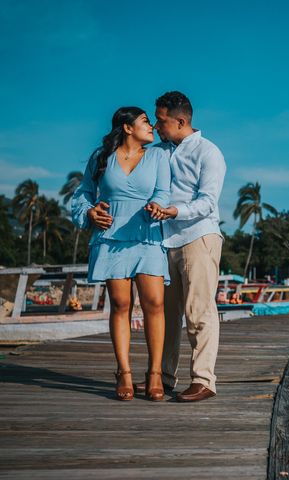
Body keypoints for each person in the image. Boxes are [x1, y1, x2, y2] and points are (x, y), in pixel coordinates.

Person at [72, 106, 170, 402]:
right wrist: (89, 213)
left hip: (146, 235)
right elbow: (84, 193)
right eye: (144, 122)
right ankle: (124, 372)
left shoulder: (157, 157)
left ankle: (154, 374)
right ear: (127, 127)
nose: (151, 126)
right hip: (110, 237)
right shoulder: (100, 157)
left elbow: (163, 192)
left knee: (154, 302)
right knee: (120, 303)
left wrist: (156, 205)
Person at [136, 91, 226, 403]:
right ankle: (164, 377)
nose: (157, 126)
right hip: (164, 241)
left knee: (198, 310)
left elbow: (208, 201)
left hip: (198, 236)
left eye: (161, 121)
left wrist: (175, 211)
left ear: (181, 121)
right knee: (167, 314)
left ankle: (204, 380)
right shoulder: (158, 151)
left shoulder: (208, 152)